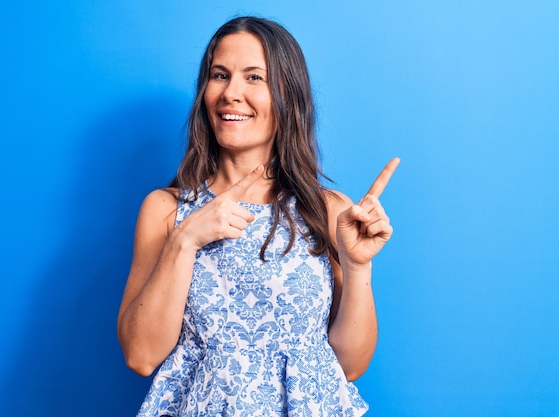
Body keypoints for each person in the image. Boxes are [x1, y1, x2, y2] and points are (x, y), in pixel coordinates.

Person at [117, 16, 399, 417]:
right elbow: (141, 356)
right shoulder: (165, 209)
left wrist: (357, 266)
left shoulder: (329, 210)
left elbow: (350, 366)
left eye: (254, 77)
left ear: (288, 95)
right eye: (220, 75)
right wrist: (185, 240)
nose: (231, 92)